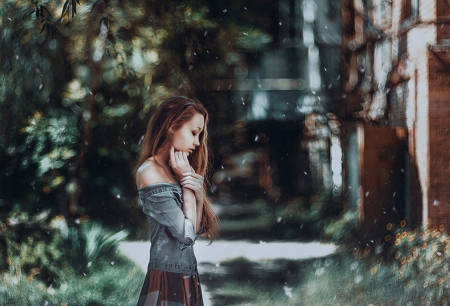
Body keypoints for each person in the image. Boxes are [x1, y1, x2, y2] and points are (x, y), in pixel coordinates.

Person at [134, 96, 219, 306]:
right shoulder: (149, 173)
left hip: (187, 275)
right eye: (193, 133)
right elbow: (186, 235)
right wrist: (190, 191)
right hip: (166, 278)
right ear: (172, 126)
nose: (197, 142)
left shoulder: (175, 171)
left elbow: (196, 229)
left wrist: (197, 193)